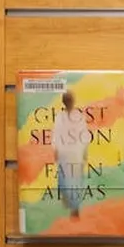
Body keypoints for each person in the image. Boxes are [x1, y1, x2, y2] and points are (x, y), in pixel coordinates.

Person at [52, 90, 92, 219]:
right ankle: (71, 205)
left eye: (70, 99)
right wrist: (56, 150)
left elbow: (84, 135)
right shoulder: (59, 117)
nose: (69, 102)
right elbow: (56, 135)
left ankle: (75, 209)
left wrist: (85, 152)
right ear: (64, 102)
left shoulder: (79, 117)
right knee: (64, 182)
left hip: (76, 153)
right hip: (64, 154)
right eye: (67, 100)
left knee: (75, 181)